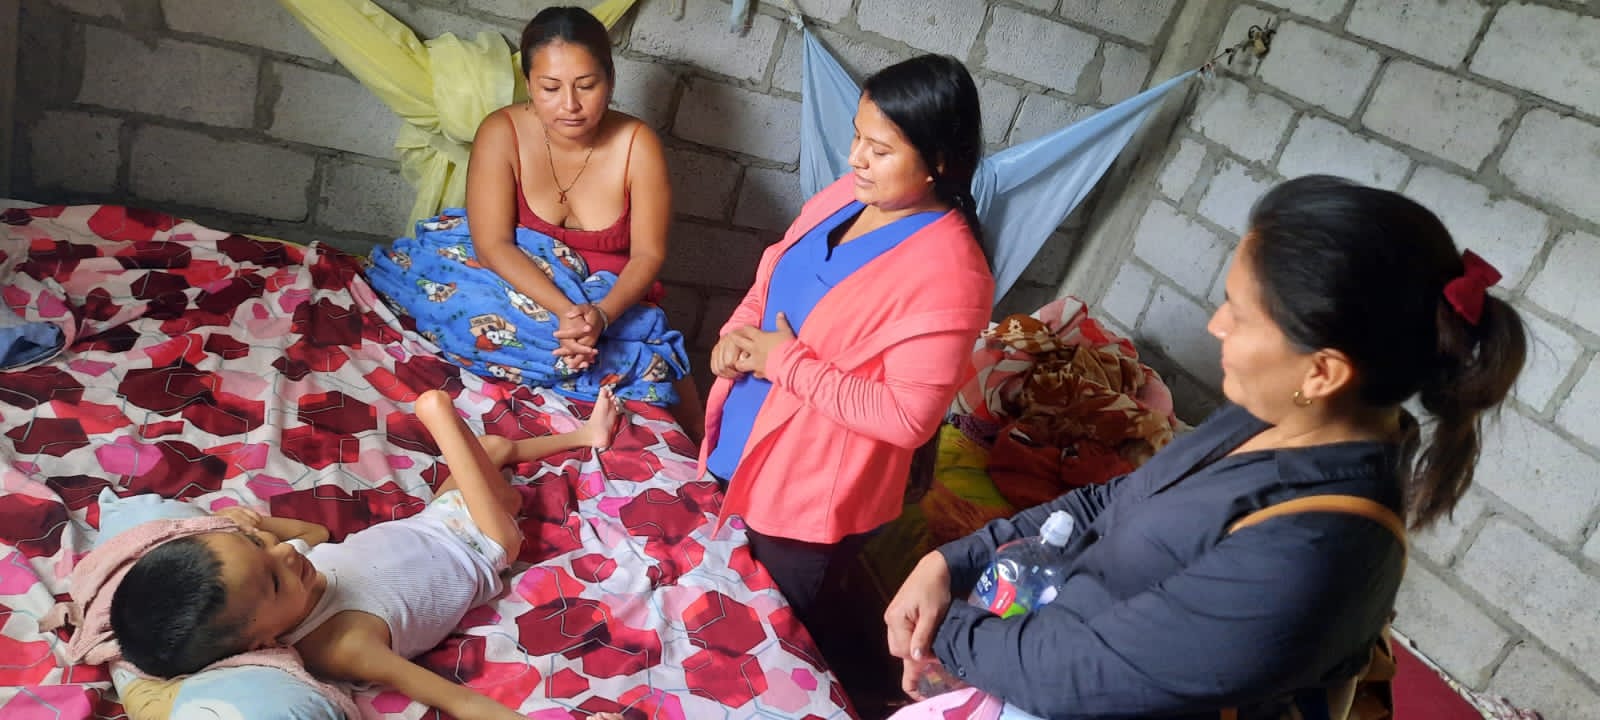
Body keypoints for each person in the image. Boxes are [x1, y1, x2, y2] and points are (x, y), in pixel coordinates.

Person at [884, 175, 1527, 719]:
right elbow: (1118, 499)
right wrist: (953, 563)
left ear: (1321, 372)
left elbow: (1083, 675)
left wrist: (947, 631)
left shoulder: (1316, 552)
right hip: (1038, 650)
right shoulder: (1269, 418)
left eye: (1239, 315)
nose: (1216, 325)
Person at [697, 54, 994, 644]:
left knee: (751, 645)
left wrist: (784, 362)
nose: (855, 158)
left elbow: (907, 417)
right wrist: (736, 334)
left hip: (803, 503)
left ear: (938, 162)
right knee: (699, 608)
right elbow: (773, 278)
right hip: (739, 447)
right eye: (857, 137)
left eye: (879, 150)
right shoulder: (845, 197)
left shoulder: (952, 273)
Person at [110, 389, 620, 720]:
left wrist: (258, 525)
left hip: (433, 519)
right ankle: (438, 417)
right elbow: (459, 700)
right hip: (483, 547)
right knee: (471, 450)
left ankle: (586, 436)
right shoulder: (339, 645)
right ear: (261, 641)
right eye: (273, 578)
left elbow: (313, 532)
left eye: (259, 547)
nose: (286, 553)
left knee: (492, 451)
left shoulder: (293, 574)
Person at [465, 6, 703, 435]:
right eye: (550, 88)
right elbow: (492, 244)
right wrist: (567, 313)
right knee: (479, 318)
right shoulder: (501, 133)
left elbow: (648, 255)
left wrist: (600, 317)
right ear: (528, 84)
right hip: (523, 286)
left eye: (587, 86)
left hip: (611, 301)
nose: (570, 105)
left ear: (610, 81)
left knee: (649, 359)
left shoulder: (637, 145)